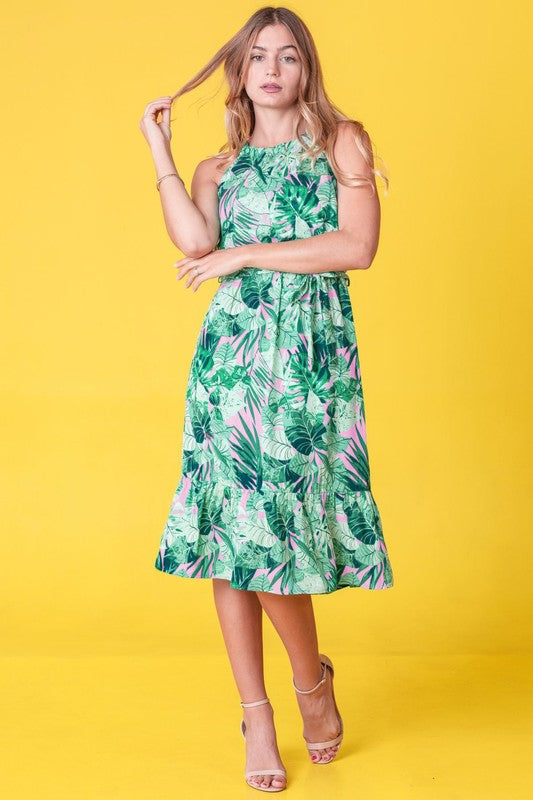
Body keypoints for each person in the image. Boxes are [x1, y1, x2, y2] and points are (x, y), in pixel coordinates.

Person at [139, 6, 394, 793]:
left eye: (287, 56)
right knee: (228, 532)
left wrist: (242, 253)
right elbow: (192, 243)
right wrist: (160, 147)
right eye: (257, 58)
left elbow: (356, 248)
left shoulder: (340, 142)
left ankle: (310, 683)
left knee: (274, 528)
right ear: (240, 73)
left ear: (305, 67)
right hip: (231, 361)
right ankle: (257, 712)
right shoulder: (221, 167)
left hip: (308, 363)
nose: (273, 70)